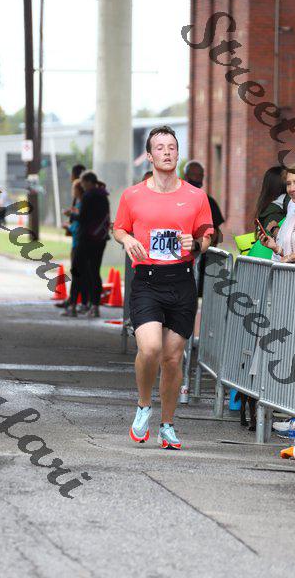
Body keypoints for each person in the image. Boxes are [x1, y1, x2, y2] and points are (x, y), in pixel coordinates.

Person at [113, 125, 213, 450]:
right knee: (151, 348)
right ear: (150, 155)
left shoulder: (196, 196)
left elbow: (207, 235)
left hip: (181, 280)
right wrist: (127, 239)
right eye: (160, 147)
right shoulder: (133, 195)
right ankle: (144, 405)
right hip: (147, 280)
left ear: (178, 153)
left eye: (172, 147)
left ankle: (167, 425)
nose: (167, 152)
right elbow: (119, 228)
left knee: (172, 358)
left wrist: (195, 243)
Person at [72, 170, 110, 318]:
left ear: (88, 182)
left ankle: (74, 304)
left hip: (86, 238)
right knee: (95, 272)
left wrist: (72, 215)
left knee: (77, 270)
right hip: (100, 239)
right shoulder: (103, 195)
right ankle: (95, 305)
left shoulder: (88, 196)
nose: (81, 186)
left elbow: (83, 217)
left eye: (82, 183)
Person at [183, 160, 225, 296]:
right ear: (186, 176)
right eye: (194, 175)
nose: (197, 178)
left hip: (202, 261)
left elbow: (216, 232)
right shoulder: (176, 199)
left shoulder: (208, 201)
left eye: (200, 175)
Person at [60, 179, 88, 317]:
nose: (73, 191)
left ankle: (73, 305)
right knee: (82, 274)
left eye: (74, 189)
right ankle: (83, 303)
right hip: (81, 242)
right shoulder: (80, 203)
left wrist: (68, 226)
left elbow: (79, 224)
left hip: (79, 243)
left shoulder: (82, 204)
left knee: (77, 274)